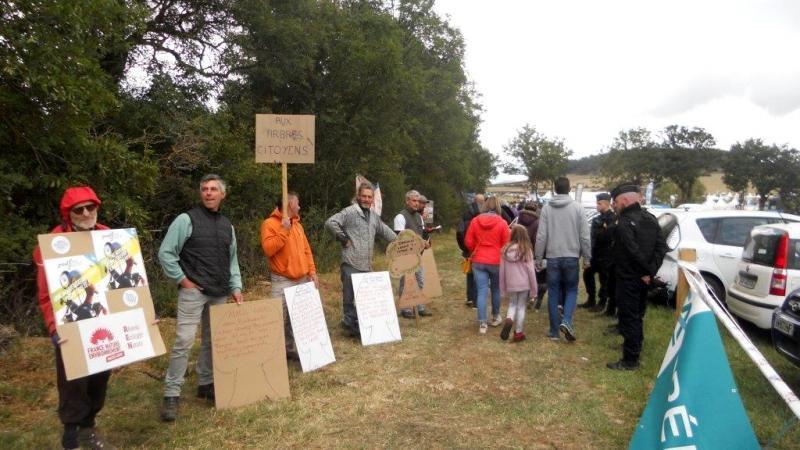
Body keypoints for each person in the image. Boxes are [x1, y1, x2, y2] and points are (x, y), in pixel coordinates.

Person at [33, 186, 115, 450]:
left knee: (100, 374)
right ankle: (71, 432)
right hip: (70, 321)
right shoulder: (54, 243)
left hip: (103, 319)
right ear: (68, 214)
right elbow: (46, 294)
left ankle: (89, 427)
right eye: (78, 209)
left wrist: (141, 316)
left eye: (91, 207)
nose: (86, 213)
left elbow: (126, 283)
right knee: (72, 378)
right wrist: (52, 327)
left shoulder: (108, 236)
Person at [158, 174, 243, 421]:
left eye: (213, 189)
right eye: (204, 189)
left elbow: (233, 260)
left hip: (219, 292)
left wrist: (236, 287)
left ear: (222, 194)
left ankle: (205, 384)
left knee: (212, 340)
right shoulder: (186, 220)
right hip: (193, 292)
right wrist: (183, 281)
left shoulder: (228, 225)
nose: (208, 193)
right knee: (184, 341)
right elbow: (166, 253)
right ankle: (171, 393)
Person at [606, 184, 667, 371]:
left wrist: (645, 272)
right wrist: (650, 272)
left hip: (629, 277)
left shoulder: (624, 222)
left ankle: (630, 359)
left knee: (630, 316)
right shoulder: (650, 218)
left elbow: (633, 251)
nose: (614, 206)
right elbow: (661, 248)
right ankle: (632, 346)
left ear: (624, 200)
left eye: (616, 202)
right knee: (637, 315)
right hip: (642, 278)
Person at [326, 182, 397, 337]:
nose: (366, 199)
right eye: (363, 196)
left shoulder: (374, 217)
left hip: (366, 264)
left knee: (365, 298)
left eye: (369, 197)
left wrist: (404, 242)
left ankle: (363, 326)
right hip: (351, 262)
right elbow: (331, 222)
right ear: (358, 196)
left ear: (373, 199)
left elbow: (387, 232)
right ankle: (349, 325)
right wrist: (343, 239)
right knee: (349, 297)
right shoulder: (350, 212)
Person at [260, 191, 318, 360]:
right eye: (297, 204)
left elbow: (307, 251)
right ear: (290, 205)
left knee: (297, 319)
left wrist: (312, 272)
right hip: (282, 280)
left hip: (302, 278)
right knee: (278, 317)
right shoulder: (269, 224)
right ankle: (275, 355)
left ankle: (292, 349)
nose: (299, 207)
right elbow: (269, 249)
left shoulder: (298, 225)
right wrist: (284, 231)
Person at [535, 177, 591, 342]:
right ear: (569, 189)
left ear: (555, 189)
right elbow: (585, 237)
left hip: (552, 257)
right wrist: (587, 258)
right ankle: (566, 320)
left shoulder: (546, 209)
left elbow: (541, 236)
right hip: (572, 256)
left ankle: (554, 331)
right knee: (572, 290)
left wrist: (539, 258)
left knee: (553, 293)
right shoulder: (578, 208)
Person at [465, 196, 510, 334]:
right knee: (496, 290)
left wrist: (475, 249)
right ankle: (496, 316)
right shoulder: (502, 223)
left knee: (482, 291)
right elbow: (506, 243)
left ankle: (482, 323)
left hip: (479, 260)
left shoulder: (475, 221)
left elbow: (468, 241)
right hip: (496, 260)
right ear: (498, 207)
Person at [394, 190, 431, 318]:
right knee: (406, 282)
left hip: (418, 255)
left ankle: (419, 306)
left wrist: (426, 243)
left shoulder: (419, 216)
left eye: (418, 201)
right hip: (405, 255)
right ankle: (406, 308)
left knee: (420, 281)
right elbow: (400, 238)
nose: (416, 203)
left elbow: (422, 234)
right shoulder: (400, 217)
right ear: (407, 201)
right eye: (414, 201)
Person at [499, 225, 538, 342]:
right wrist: (534, 290)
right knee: (521, 307)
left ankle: (509, 319)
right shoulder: (527, 250)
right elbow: (531, 271)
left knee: (512, 305)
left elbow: (502, 270)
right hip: (524, 284)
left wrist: (502, 287)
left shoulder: (505, 250)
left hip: (511, 283)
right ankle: (518, 333)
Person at [580, 193, 615, 310]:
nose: (597, 205)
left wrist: (603, 230)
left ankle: (602, 302)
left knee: (604, 279)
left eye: (599, 203)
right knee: (587, 274)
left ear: (606, 203)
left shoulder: (613, 218)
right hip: (595, 252)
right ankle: (591, 299)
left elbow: (608, 236)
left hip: (607, 254)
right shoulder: (598, 218)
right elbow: (594, 235)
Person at [516, 201, 547, 310]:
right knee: (535, 276)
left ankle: (523, 297)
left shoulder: (518, 220)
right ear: (536, 209)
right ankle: (534, 298)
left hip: (519, 251)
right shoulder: (538, 222)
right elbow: (537, 240)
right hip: (532, 252)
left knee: (523, 275)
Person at [456, 194, 484, 308]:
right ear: (483, 202)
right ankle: (476, 301)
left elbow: (459, 232)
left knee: (470, 274)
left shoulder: (465, 213)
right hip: (481, 250)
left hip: (468, 249)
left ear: (473, 201)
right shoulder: (486, 215)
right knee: (480, 275)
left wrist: (464, 247)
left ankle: (470, 298)